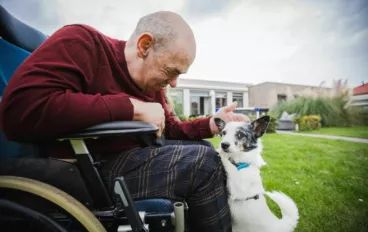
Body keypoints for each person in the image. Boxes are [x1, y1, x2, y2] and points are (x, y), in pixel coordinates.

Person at [0, 11, 250, 232]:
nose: (174, 83)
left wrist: (209, 124)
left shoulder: (151, 83)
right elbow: (20, 109)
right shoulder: (81, 42)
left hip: (130, 157)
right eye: (171, 71)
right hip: (87, 165)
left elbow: (168, 128)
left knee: (206, 150)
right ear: (144, 46)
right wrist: (131, 107)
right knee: (201, 164)